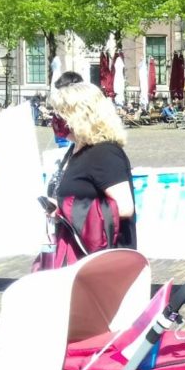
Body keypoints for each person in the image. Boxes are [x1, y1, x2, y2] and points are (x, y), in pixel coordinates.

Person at [47, 76, 137, 268]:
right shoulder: (76, 149)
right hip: (78, 255)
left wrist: (65, 207)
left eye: (61, 114)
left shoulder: (104, 153)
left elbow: (124, 207)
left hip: (103, 262)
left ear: (79, 116)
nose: (56, 120)